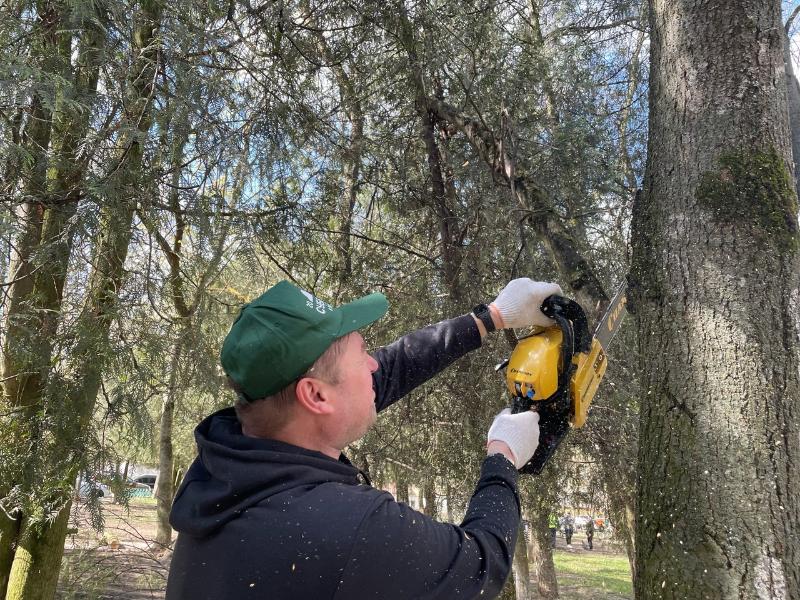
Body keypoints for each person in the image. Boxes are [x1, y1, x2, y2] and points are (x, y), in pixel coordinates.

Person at [166, 277, 562, 599]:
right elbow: (481, 563)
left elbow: (387, 371)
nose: (373, 363)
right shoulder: (350, 528)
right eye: (362, 354)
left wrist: (490, 317)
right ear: (316, 395)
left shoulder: (227, 465)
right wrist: (503, 456)